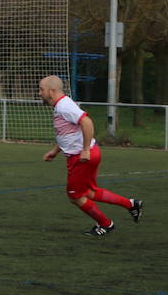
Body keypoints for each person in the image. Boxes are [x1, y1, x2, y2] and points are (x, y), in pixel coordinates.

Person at [39, 75, 142, 236]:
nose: (39, 93)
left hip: (82, 157)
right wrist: (55, 151)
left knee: (74, 196)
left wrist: (85, 149)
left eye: (41, 89)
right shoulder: (61, 106)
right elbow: (68, 134)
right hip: (85, 155)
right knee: (88, 192)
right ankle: (131, 204)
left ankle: (105, 224)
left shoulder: (64, 106)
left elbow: (86, 122)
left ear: (51, 91)